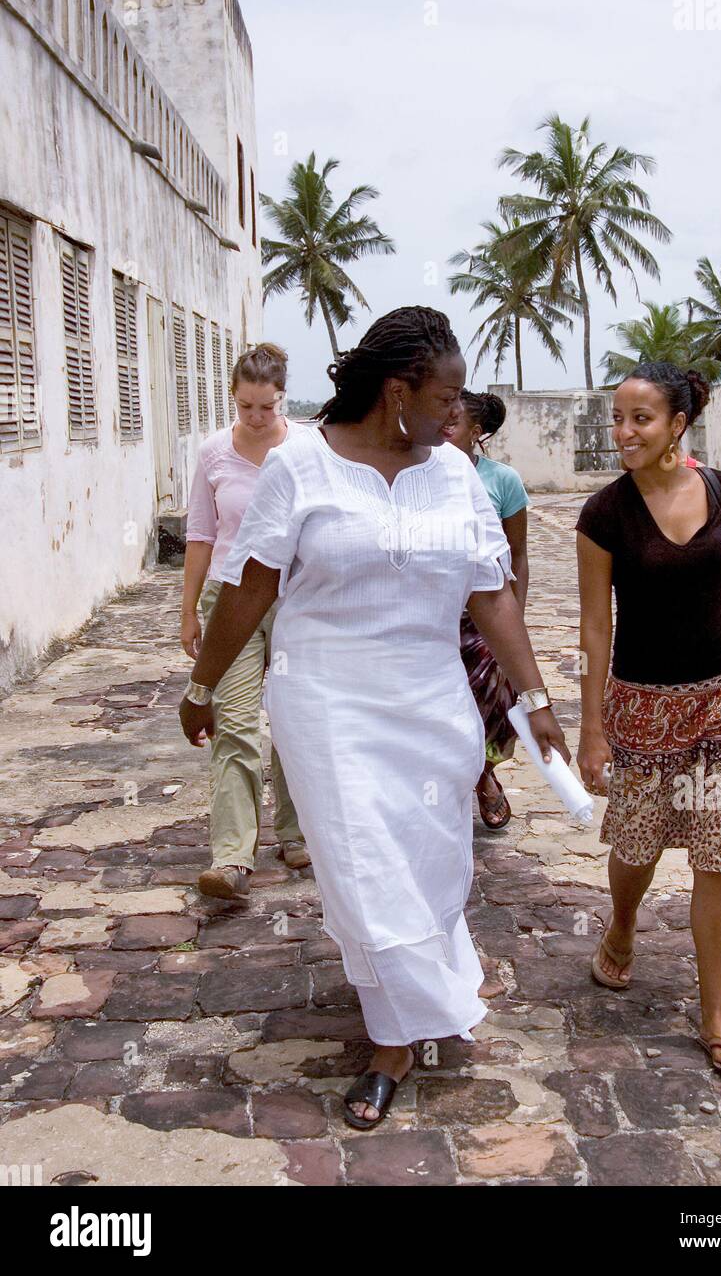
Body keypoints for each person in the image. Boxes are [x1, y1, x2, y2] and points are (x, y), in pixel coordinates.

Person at [179, 307, 569, 1128]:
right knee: (362, 869)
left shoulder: (455, 473)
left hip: (432, 701)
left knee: (426, 863)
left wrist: (534, 699)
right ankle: (394, 1040)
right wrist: (205, 685)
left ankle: (413, 999)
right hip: (327, 699)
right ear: (398, 391)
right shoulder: (302, 468)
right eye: (446, 398)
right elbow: (249, 585)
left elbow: (491, 592)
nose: (456, 416)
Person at [576, 363, 721, 1075]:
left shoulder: (720, 492)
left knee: (719, 855)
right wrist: (591, 727)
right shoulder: (604, 515)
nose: (624, 432)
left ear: (678, 424)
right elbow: (593, 630)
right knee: (637, 847)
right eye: (617, 418)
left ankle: (714, 1013)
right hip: (642, 703)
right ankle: (620, 927)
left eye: (640, 418)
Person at [181, 343, 310, 900]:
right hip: (229, 601)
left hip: (293, 598)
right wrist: (189, 609)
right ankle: (232, 856)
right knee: (234, 723)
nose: (257, 419)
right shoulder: (213, 454)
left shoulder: (309, 448)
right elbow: (201, 536)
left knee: (293, 718)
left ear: (284, 399)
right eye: (246, 408)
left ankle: (296, 830)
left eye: (268, 407)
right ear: (234, 400)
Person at [445, 390, 530, 829]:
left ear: (475, 433)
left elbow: (517, 553)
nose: (445, 426)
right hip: (439, 612)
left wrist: (514, 613)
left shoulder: (503, 481)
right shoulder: (424, 471)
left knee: (488, 705)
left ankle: (484, 773)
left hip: (487, 616)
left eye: (455, 421)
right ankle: (464, 779)